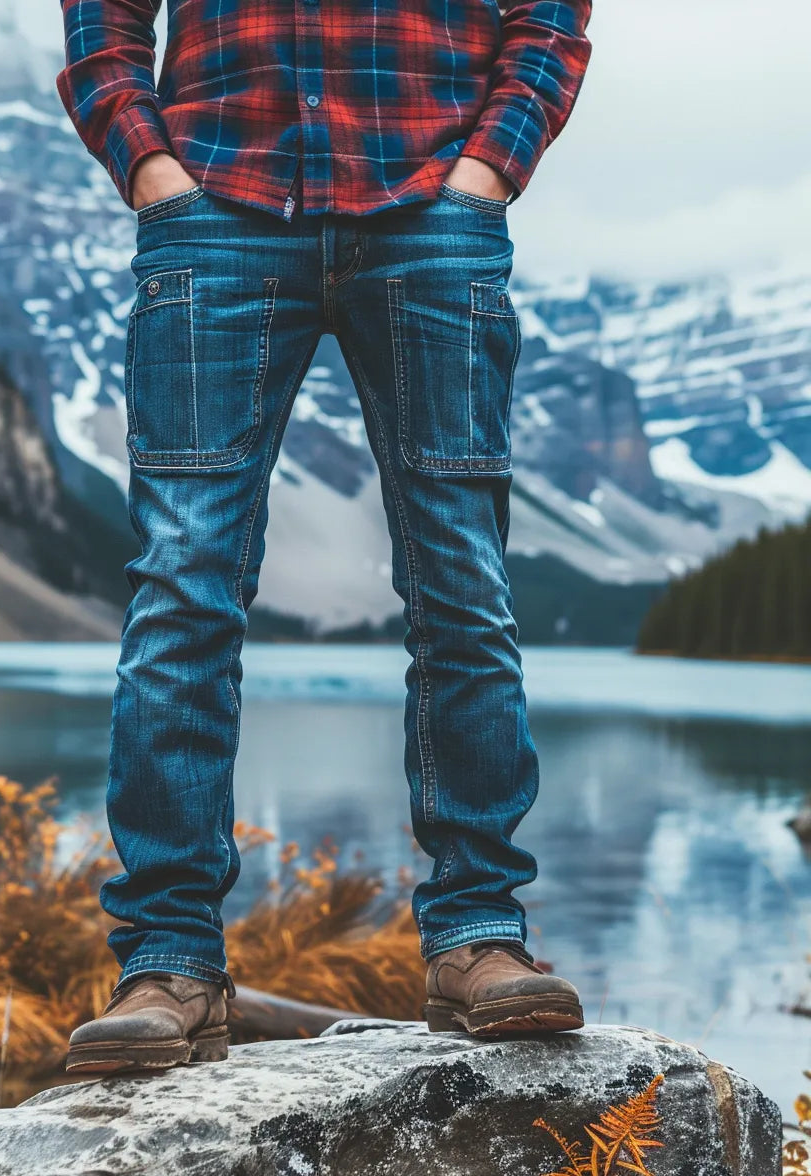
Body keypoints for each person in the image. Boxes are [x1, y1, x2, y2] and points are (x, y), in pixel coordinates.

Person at [56, 0, 593, 1074]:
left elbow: (551, 13)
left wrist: (488, 169)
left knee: (463, 588)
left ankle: (478, 936)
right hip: (215, 208)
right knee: (182, 591)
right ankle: (168, 961)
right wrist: (151, 167)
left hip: (433, 208)